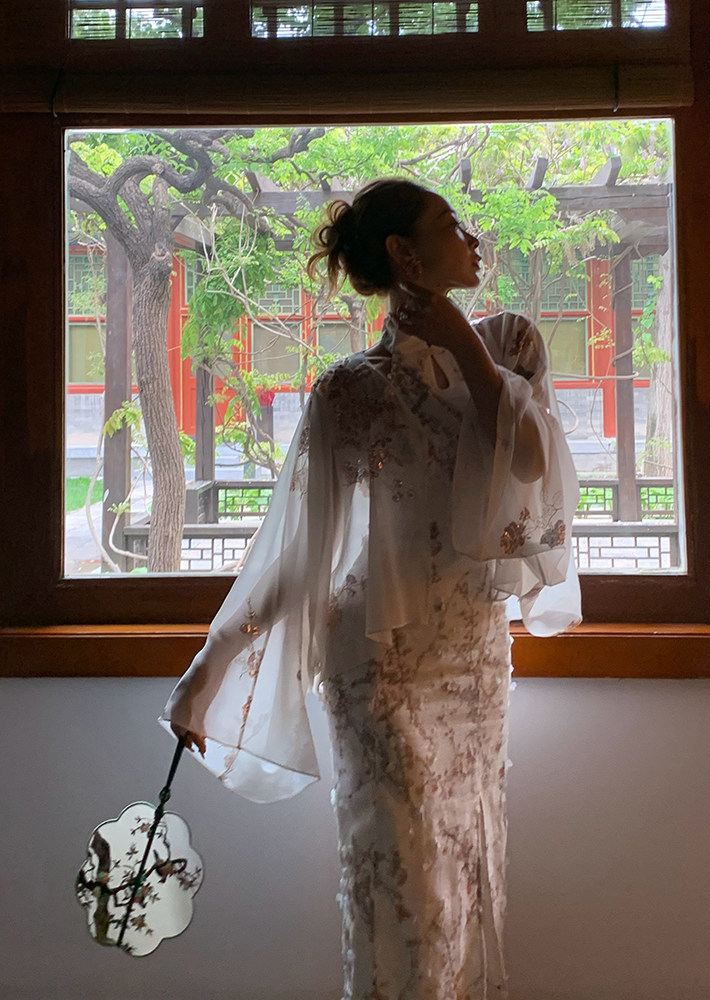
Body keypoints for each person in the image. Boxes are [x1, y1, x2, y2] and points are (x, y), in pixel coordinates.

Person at [161, 178, 581, 999]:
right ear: (403, 254)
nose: (471, 236)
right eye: (449, 225)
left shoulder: (509, 346)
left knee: (464, 883)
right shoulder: (348, 390)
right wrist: (207, 670)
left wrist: (462, 343)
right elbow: (300, 556)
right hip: (381, 671)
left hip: (472, 665)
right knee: (407, 903)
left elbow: (534, 467)